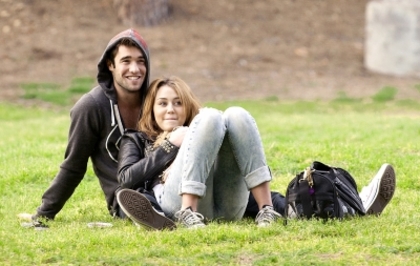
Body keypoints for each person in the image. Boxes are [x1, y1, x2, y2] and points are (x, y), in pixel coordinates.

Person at [116, 76, 396, 230]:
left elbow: (235, 172)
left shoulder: (205, 129)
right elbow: (127, 179)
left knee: (233, 115)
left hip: (228, 207)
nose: (171, 109)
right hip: (173, 205)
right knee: (212, 116)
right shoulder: (138, 138)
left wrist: (285, 204)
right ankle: (189, 211)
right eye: (163, 103)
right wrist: (170, 145)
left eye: (178, 103)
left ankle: (269, 211)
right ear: (151, 108)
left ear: (187, 107)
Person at [27, 28, 163, 225]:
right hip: (128, 199)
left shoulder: (159, 100)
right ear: (110, 65)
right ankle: (156, 210)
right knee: (138, 199)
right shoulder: (91, 107)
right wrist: (44, 213)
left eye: (141, 61)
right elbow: (73, 166)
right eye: (126, 61)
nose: (135, 69)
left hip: (167, 183)